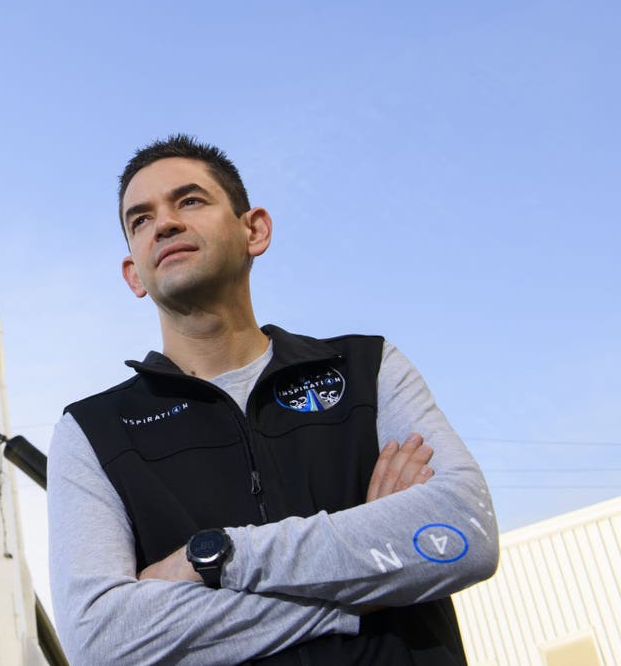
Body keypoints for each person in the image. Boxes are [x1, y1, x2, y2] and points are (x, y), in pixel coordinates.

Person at [47, 135, 499, 665]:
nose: (164, 223)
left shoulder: (365, 369)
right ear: (133, 275)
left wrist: (217, 559)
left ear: (254, 229)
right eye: (140, 220)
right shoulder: (94, 431)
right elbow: (102, 643)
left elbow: (464, 533)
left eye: (189, 201)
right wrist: (373, 575)